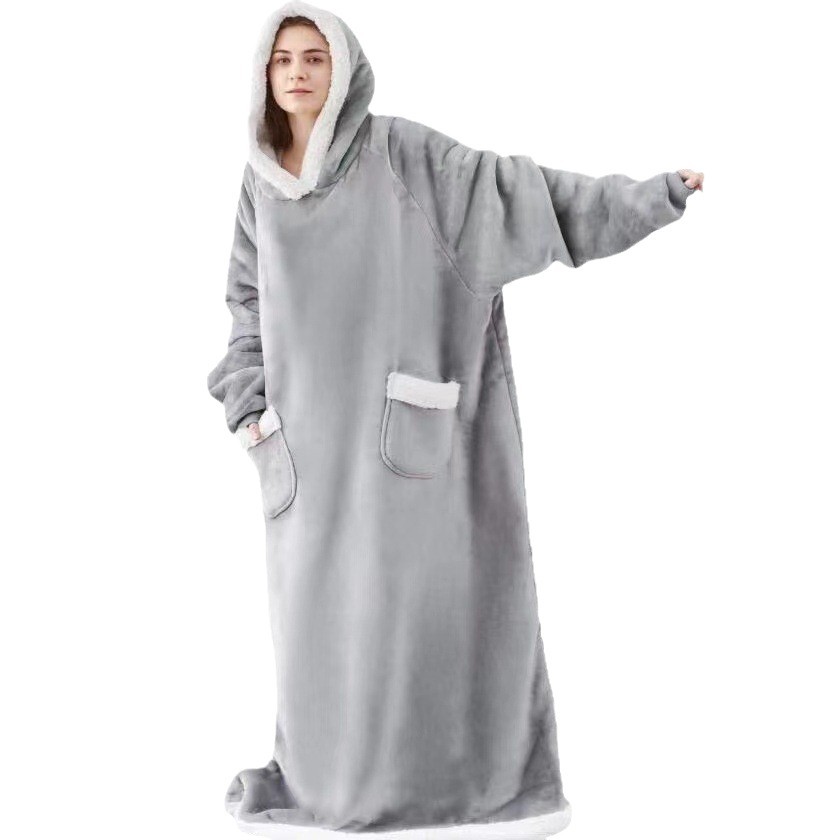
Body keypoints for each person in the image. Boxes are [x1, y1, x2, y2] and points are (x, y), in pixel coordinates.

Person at [207, 3, 703, 838]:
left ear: (343, 71)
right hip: (303, 458)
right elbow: (245, 305)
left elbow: (523, 197)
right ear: (265, 74)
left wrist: (651, 196)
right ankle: (329, 787)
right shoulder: (260, 186)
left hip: (407, 456)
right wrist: (251, 411)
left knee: (425, 620)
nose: (298, 72)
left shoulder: (404, 158)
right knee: (320, 640)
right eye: (283, 58)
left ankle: (449, 788)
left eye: (315, 57)